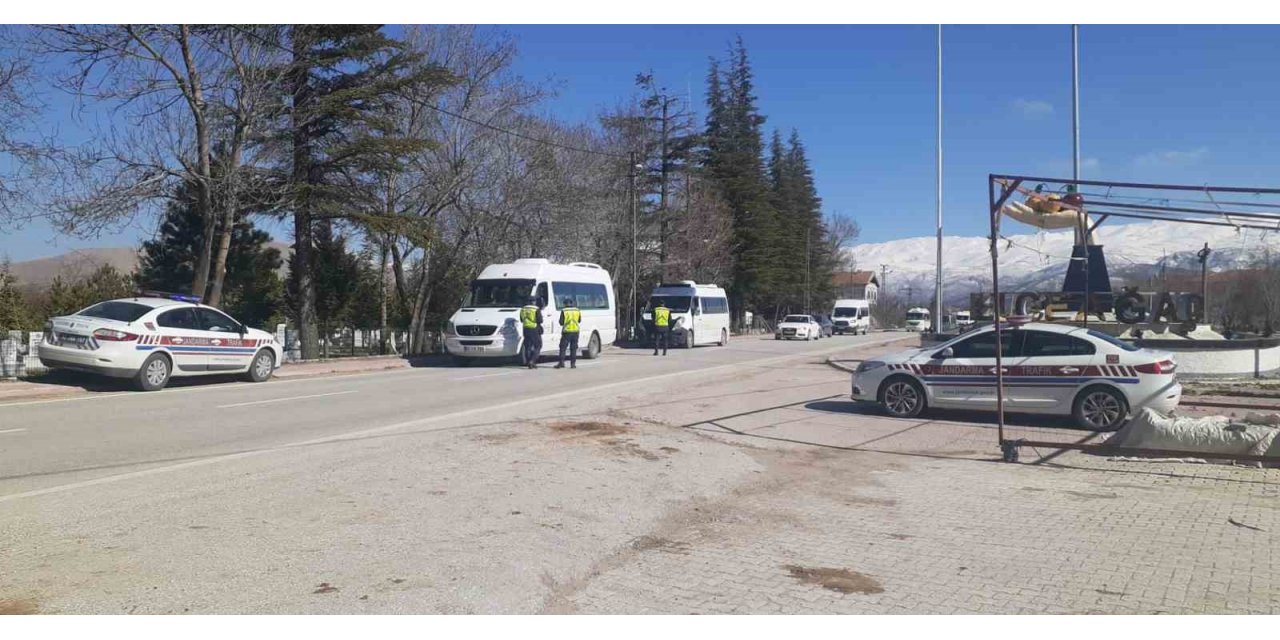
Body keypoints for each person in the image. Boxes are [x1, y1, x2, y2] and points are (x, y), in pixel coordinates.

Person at [555, 296, 581, 369]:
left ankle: (561, 363)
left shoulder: (564, 311)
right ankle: (573, 364)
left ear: (565, 304)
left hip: (567, 331)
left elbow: (561, 322)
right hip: (575, 331)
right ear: (572, 303)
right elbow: (579, 320)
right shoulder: (577, 310)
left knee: (563, 347)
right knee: (573, 348)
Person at [519, 295, 543, 369]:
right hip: (534, 328)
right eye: (534, 301)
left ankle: (529, 362)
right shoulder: (536, 309)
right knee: (538, 345)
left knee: (527, 346)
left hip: (526, 329)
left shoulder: (523, 309)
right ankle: (532, 361)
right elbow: (540, 320)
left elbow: (521, 320)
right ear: (533, 302)